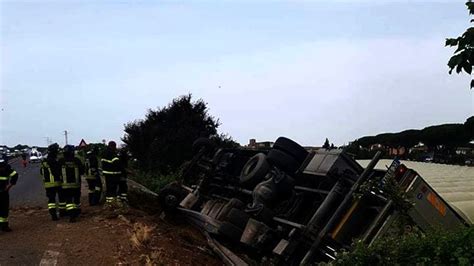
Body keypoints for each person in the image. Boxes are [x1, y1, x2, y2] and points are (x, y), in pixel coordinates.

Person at [59, 145, 84, 223]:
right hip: (76, 185)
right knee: (76, 199)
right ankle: (76, 212)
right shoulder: (77, 160)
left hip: (65, 185)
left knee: (68, 200)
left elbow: (56, 171)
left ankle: (71, 215)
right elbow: (82, 171)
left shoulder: (61, 161)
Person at [40, 143, 63, 221]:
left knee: (51, 200)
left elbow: (41, 171)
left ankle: (53, 214)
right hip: (56, 182)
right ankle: (62, 213)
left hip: (47, 184)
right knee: (61, 198)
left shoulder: (44, 161)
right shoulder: (53, 160)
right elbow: (57, 171)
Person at [101, 141, 122, 207]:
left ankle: (109, 203)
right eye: (114, 146)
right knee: (113, 189)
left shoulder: (104, 153)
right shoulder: (112, 154)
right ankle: (113, 203)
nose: (115, 148)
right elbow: (117, 163)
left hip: (107, 174)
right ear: (112, 146)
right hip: (113, 174)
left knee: (109, 189)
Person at [0, 158, 18, 232]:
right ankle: (4, 226)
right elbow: (15, 175)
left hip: (3, 191)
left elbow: (15, 175)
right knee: (4, 209)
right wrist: (9, 185)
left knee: (4, 209)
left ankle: (4, 226)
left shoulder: (6, 167)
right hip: (3, 192)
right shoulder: (6, 167)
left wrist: (9, 185)